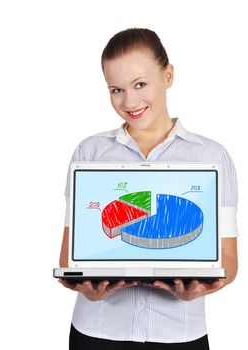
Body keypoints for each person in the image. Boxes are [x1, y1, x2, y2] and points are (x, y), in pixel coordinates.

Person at [59, 28, 238, 350]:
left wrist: (200, 288)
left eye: (140, 84)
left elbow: (228, 258)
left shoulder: (212, 156)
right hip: (98, 332)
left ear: (168, 75)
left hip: (178, 334)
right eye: (116, 89)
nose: (129, 101)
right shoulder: (90, 152)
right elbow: (71, 251)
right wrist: (86, 287)